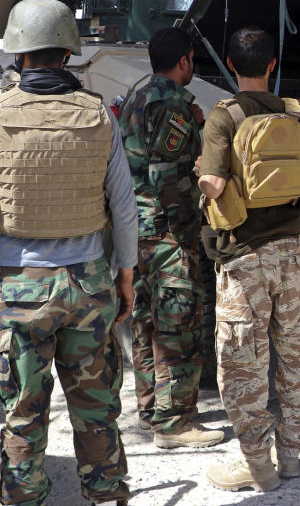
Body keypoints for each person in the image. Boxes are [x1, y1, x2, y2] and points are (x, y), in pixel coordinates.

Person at [0, 0, 137, 506]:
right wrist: (125, 278)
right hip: (89, 284)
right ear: (68, 51)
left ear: (16, 50)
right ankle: (106, 497)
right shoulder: (98, 114)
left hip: (20, 288)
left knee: (23, 415)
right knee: (97, 410)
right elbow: (124, 209)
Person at [198, 26, 300, 492]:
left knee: (243, 364)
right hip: (291, 258)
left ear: (230, 64)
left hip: (244, 261)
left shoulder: (224, 117)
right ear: (272, 66)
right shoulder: (298, 114)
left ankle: (257, 467)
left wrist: (201, 177)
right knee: (294, 355)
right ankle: (291, 456)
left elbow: (216, 186)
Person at [119, 27, 224, 449]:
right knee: (180, 324)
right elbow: (168, 177)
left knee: (146, 319)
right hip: (167, 233)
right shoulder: (174, 103)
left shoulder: (137, 96)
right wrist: (188, 229)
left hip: (136, 230)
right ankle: (176, 422)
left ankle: (150, 408)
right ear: (185, 60)